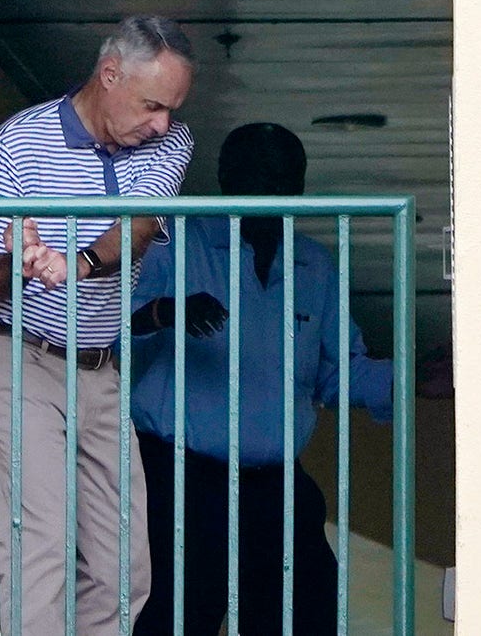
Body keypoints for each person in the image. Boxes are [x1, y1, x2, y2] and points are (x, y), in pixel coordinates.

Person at [0, 15, 196, 635]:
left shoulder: (169, 144)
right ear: (109, 73)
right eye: (152, 105)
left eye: (171, 109)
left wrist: (76, 262)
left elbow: (140, 225)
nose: (163, 124)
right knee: (40, 549)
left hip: (99, 369)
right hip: (15, 356)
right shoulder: (15, 144)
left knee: (126, 573)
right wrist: (23, 264)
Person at [129, 123, 393, 635]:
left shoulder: (314, 264)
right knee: (175, 616)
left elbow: (341, 372)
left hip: (274, 482)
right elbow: (104, 327)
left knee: (309, 609)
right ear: (227, 177)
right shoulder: (175, 243)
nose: (273, 191)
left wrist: (410, 384)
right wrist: (166, 311)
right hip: (179, 476)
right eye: (259, 177)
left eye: (285, 180)